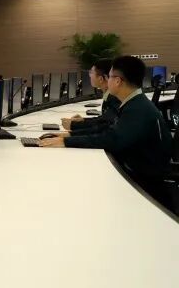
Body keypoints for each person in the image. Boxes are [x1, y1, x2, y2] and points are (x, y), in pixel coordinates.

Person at [41, 56, 174, 208]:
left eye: (109, 76)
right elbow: (109, 130)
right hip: (141, 173)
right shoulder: (135, 103)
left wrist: (66, 141)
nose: (107, 80)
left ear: (117, 81)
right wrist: (69, 136)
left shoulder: (137, 109)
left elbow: (112, 139)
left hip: (146, 186)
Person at [60, 59, 119, 133]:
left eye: (91, 72)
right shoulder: (111, 96)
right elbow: (104, 120)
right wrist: (83, 120)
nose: (90, 75)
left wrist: (74, 127)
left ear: (101, 79)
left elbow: (106, 127)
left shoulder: (115, 98)